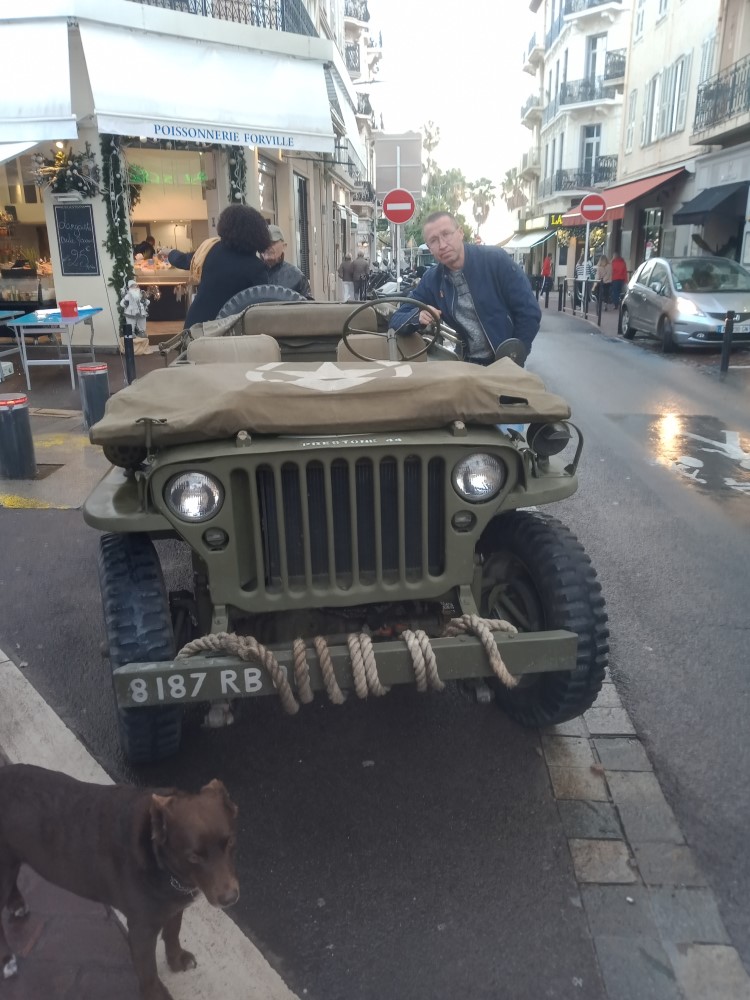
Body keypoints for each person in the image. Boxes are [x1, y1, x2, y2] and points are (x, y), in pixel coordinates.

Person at [389, 211, 541, 364]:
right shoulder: (433, 280)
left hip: (505, 361)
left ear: (460, 233)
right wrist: (417, 317)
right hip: (468, 362)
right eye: (434, 241)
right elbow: (396, 320)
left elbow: (528, 312)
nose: (442, 245)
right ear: (429, 247)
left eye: (446, 234)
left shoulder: (495, 260)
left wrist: (514, 354)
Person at [167, 204, 271, 327]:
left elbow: (183, 260)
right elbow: (262, 308)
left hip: (196, 326)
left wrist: (169, 252)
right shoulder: (257, 268)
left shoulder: (211, 250)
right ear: (259, 232)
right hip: (228, 332)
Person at [262, 224, 312, 298]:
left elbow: (308, 307)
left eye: (273, 242)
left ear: (284, 246)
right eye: (264, 243)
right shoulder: (251, 274)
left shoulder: (296, 276)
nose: (268, 246)